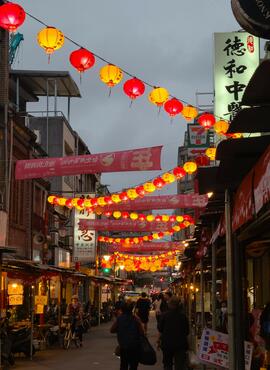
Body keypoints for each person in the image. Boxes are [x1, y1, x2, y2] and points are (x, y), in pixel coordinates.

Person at [111, 300, 144, 370]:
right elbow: (142, 332)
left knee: (123, 365)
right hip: (135, 346)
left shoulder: (119, 319)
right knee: (133, 365)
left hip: (123, 346)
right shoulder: (136, 318)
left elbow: (112, 330)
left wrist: (120, 329)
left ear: (122, 309)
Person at [158, 296, 189, 370]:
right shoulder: (183, 316)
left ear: (169, 305)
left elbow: (160, 328)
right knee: (179, 365)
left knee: (167, 364)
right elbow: (187, 331)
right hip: (180, 344)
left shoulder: (164, 315)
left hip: (167, 343)